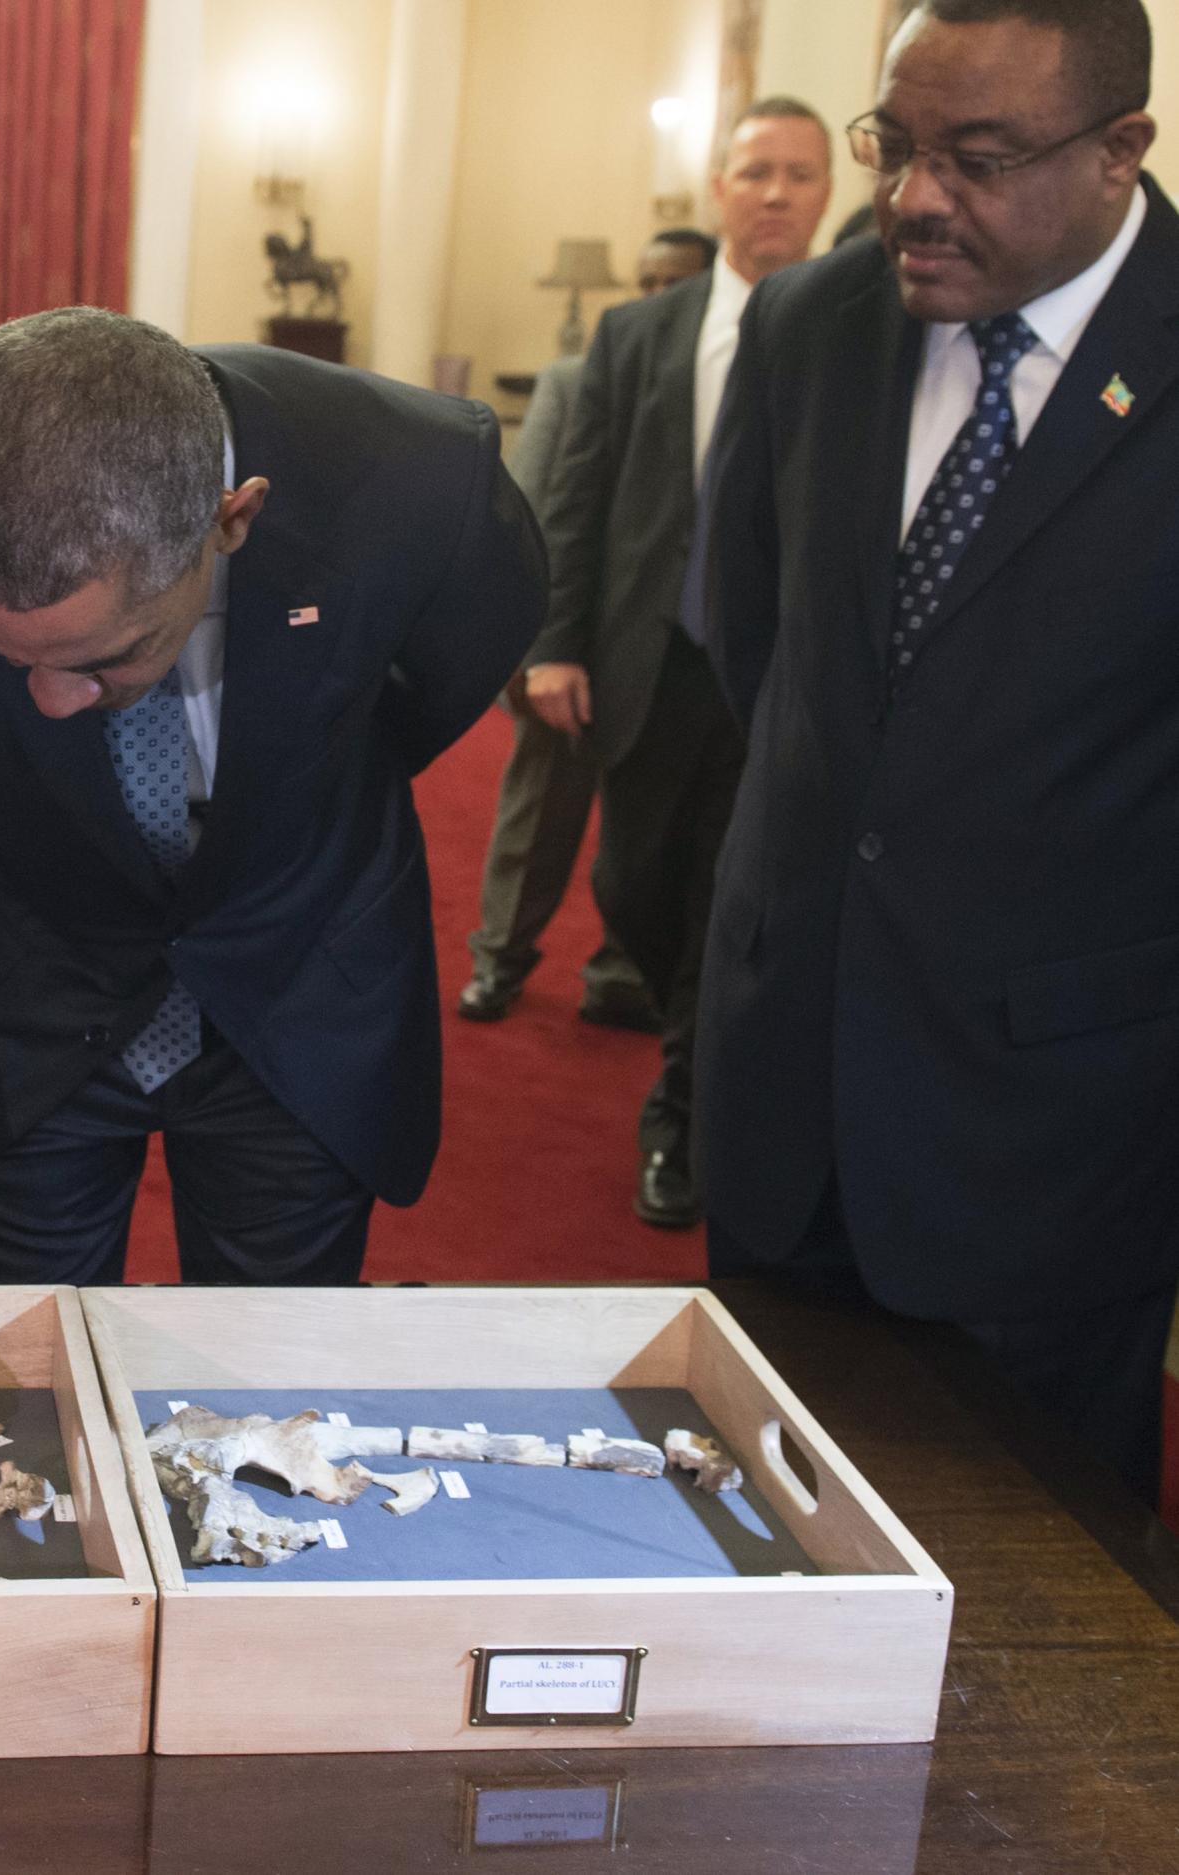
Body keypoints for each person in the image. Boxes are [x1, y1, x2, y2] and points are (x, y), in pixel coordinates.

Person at [0, 308, 545, 1486]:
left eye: (107, 659)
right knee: (20, 1426)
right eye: (12, 665)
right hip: (24, 989)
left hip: (300, 980)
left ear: (232, 520)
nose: (51, 702)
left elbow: (439, 683)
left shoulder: (417, 481)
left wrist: (294, 786)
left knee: (274, 1426)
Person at [698, 0, 1176, 1502]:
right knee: (763, 1553)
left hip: (1050, 1136)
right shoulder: (808, 327)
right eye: (896, 146)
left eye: (978, 158)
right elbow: (754, 647)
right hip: (788, 1091)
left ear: (1120, 152)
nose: (914, 196)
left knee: (1036, 1603)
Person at [522, 98, 833, 1229]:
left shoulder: (864, 330)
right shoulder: (640, 334)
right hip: (653, 665)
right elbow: (578, 496)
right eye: (755, 171)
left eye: (799, 175)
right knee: (633, 888)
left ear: (826, 194)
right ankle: (683, 1046)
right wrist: (554, 642)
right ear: (718, 186)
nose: (775, 193)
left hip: (783, 686)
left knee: (726, 907)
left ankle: (685, 1123)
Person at [459, 227, 716, 1030]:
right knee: (541, 813)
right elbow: (532, 506)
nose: (650, 294)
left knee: (653, 833)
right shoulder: (577, 375)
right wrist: (538, 643)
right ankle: (499, 959)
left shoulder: (740, 375)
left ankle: (620, 971)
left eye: (671, 281)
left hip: (684, 648)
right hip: (580, 633)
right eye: (643, 278)